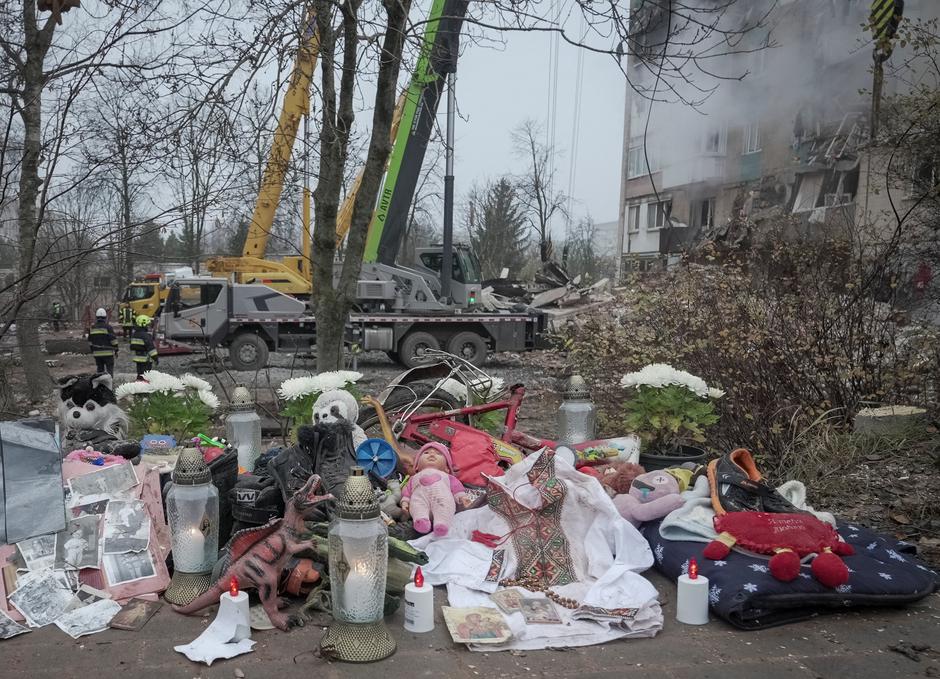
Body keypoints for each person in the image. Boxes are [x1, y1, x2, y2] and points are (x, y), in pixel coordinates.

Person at [86, 308, 118, 375]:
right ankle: (109, 381)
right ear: (105, 317)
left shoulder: (92, 328)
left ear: (96, 317)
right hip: (108, 354)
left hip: (97, 354)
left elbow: (90, 341)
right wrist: (116, 349)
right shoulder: (108, 327)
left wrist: (93, 350)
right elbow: (114, 341)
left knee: (100, 371)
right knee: (109, 370)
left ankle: (100, 381)